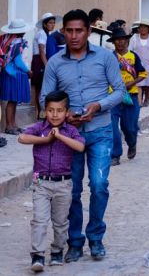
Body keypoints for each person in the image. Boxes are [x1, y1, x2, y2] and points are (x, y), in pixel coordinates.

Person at [40, 9, 125, 263]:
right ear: (63, 32)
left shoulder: (105, 57)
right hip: (69, 136)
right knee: (72, 191)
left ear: (89, 31)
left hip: (100, 130)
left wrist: (98, 106)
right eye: (69, 31)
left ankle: (96, 238)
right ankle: (74, 242)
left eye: (79, 30)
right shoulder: (55, 62)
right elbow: (46, 98)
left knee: (99, 185)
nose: (74, 36)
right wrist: (63, 116)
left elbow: (119, 90)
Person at [18, 90, 85, 272]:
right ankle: (37, 255)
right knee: (39, 220)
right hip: (41, 184)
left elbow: (80, 146)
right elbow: (22, 137)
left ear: (67, 112)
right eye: (50, 110)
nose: (55, 115)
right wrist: (47, 138)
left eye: (59, 110)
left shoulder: (71, 131)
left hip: (63, 184)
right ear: (44, 111)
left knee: (61, 221)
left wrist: (59, 136)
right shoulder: (40, 128)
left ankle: (57, 251)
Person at [108, 28, 146, 166]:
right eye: (117, 40)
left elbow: (142, 74)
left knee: (129, 127)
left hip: (131, 96)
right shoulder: (110, 57)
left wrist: (132, 83)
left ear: (127, 41)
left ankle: (132, 143)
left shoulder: (134, 56)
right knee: (112, 127)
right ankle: (115, 154)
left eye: (123, 40)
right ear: (113, 42)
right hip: (113, 96)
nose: (120, 42)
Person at [1, 19, 34, 135]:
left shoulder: (7, 39)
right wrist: (28, 71)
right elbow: (18, 60)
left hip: (8, 73)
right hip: (14, 74)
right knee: (12, 101)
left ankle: (13, 125)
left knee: (13, 101)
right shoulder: (17, 42)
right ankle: (9, 126)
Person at [129, 19, 149, 107]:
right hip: (137, 64)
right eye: (141, 27)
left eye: (145, 27)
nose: (142, 29)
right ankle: (139, 101)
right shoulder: (134, 38)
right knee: (138, 83)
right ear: (138, 29)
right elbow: (130, 50)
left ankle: (147, 99)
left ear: (148, 29)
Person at [32, 13, 58, 119]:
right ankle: (39, 113)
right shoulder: (42, 33)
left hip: (42, 60)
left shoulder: (47, 34)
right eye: (50, 23)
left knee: (43, 87)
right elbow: (42, 50)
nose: (52, 25)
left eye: (53, 23)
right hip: (39, 61)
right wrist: (47, 65)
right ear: (44, 24)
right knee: (39, 87)